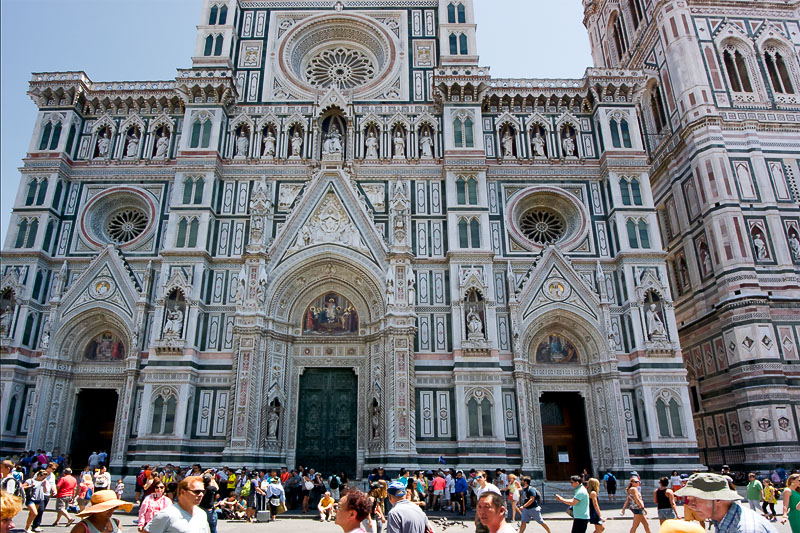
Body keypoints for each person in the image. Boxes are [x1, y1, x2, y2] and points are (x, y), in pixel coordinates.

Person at [677, 472, 776, 533]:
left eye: (696, 500)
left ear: (718, 499)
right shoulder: (721, 520)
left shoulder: (745, 529)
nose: (690, 505)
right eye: (690, 499)